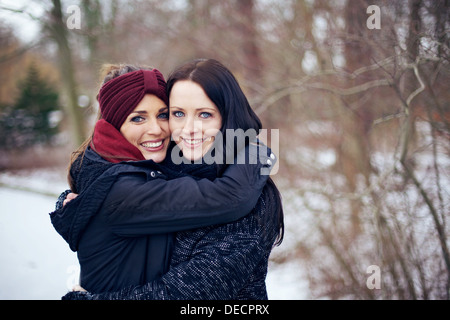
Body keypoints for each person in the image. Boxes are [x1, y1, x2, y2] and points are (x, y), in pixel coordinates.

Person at [61, 58, 284, 300]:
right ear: (114, 127)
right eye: (178, 113)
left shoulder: (254, 199)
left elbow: (185, 293)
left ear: (228, 117)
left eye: (205, 114)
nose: (188, 128)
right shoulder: (152, 173)